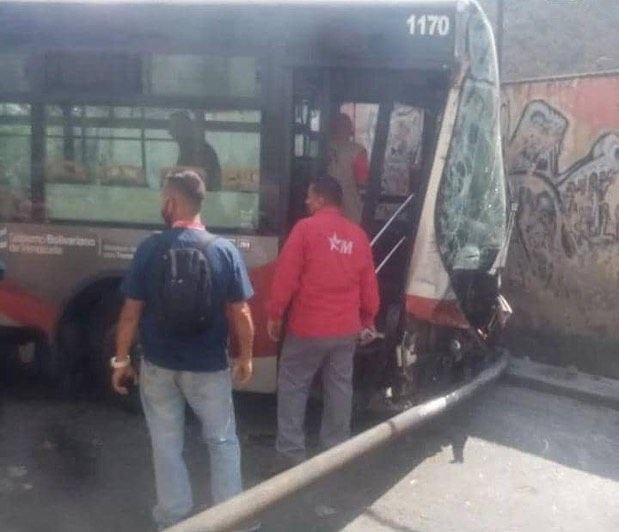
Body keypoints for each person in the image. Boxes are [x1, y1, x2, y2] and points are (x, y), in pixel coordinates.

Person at [111, 169, 254, 529]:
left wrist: (121, 361)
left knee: (166, 442)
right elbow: (241, 312)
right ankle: (232, 520)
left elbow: (130, 314)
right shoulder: (223, 250)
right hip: (208, 367)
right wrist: (246, 358)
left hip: (158, 366)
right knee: (222, 442)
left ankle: (173, 517)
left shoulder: (150, 248)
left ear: (171, 203)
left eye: (163, 198)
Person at [266, 176, 380, 467]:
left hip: (308, 328)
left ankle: (291, 455)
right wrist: (367, 318)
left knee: (293, 386)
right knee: (339, 389)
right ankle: (334, 453)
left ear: (320, 199)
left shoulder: (305, 230)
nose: (305, 201)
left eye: (309, 196)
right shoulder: (357, 236)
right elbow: (369, 287)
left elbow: (285, 277)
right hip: (345, 331)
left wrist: (275, 313)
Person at [327, 113, 370, 223]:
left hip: (325, 202)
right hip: (349, 205)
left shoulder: (322, 146)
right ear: (349, 129)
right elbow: (362, 181)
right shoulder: (357, 151)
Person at [168, 111, 223, 191]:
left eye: (174, 128)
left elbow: (194, 183)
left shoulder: (200, 152)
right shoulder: (186, 150)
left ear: (184, 129)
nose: (170, 133)